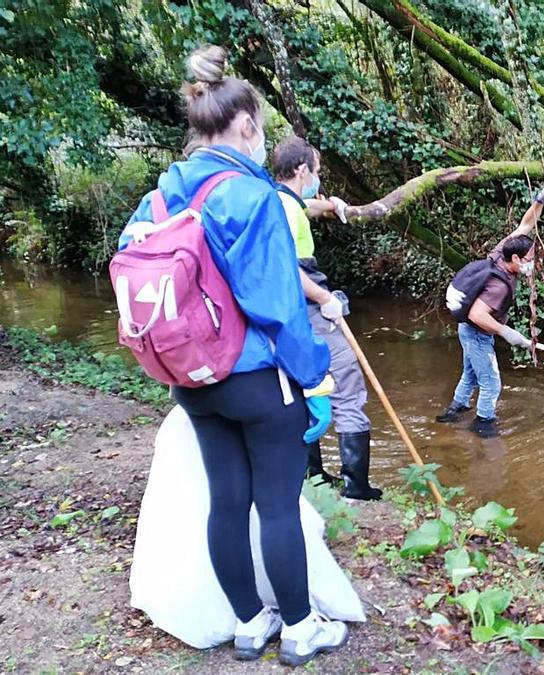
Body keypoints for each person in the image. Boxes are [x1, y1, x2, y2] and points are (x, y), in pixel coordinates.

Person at [120, 45, 349, 666]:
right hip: (255, 378)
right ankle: (301, 629)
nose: (263, 141)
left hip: (190, 381)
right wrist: (314, 379)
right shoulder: (251, 198)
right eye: (262, 131)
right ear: (245, 126)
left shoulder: (159, 198)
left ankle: (251, 622)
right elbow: (276, 304)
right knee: (276, 504)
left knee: (227, 500)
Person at [271, 136, 381, 501]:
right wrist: (325, 299)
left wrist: (333, 205)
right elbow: (287, 267)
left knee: (304, 385)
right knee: (348, 384)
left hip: (286, 316)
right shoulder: (286, 210)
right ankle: (356, 487)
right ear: (302, 170)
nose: (318, 177)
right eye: (316, 171)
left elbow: (307, 207)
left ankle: (313, 476)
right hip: (309, 306)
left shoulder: (279, 200)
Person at [436, 183, 544, 438]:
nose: (531, 264)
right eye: (528, 260)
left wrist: (539, 201)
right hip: (476, 333)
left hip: (467, 331)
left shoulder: (501, 252)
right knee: (491, 383)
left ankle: (453, 412)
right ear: (515, 260)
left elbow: (525, 226)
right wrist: (507, 333)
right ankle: (483, 427)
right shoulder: (498, 286)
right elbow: (477, 315)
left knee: (470, 374)